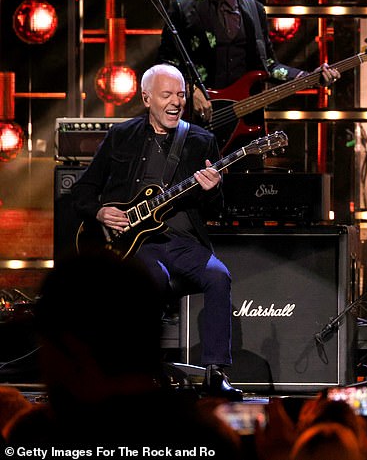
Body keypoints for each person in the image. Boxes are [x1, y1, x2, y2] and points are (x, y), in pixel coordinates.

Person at [71, 63, 242, 399]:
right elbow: (82, 192)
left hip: (183, 242)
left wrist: (213, 189)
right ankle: (141, 369)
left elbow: (216, 210)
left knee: (219, 276)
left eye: (180, 94)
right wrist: (101, 211)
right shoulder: (122, 136)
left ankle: (214, 373)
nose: (176, 102)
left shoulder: (201, 140)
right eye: (167, 95)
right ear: (146, 98)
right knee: (152, 279)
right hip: (135, 246)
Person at [3, 253, 240, 452]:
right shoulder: (207, 438)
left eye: (45, 343)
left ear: (71, 348)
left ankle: (216, 369)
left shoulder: (36, 437)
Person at [158, 0, 339, 125]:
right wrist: (189, 90)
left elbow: (268, 66)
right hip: (198, 120)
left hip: (246, 120)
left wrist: (309, 77)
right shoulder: (183, 8)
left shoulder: (254, 9)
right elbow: (165, 65)